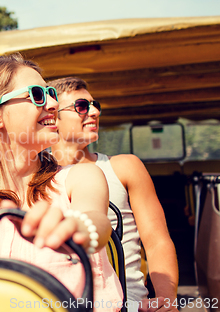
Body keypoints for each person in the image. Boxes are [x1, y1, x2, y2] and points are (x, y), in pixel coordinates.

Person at [0, 54, 123, 311]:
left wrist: (77, 229)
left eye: (51, 93)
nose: (53, 103)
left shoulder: (79, 177)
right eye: (37, 94)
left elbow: (96, 220)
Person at [48, 77, 178, 311]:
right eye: (81, 107)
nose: (94, 112)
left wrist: (166, 299)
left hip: (131, 304)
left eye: (94, 104)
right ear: (52, 116)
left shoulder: (125, 167)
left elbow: (157, 240)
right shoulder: (37, 177)